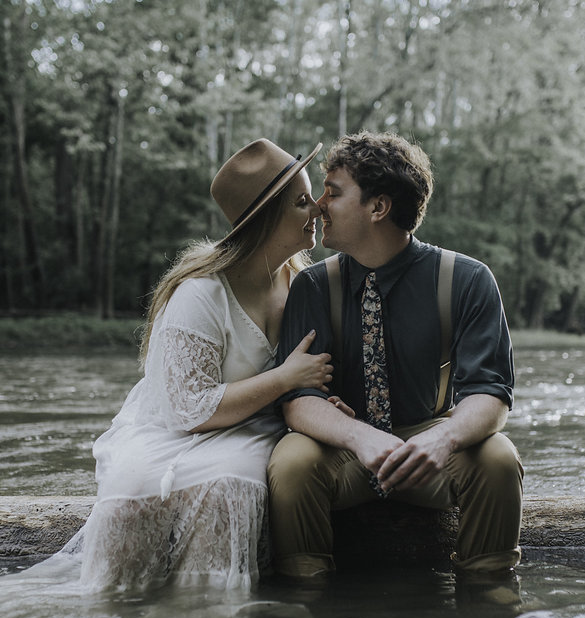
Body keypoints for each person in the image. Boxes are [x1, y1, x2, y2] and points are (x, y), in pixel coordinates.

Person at [62, 138, 344, 592]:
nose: (316, 209)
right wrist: (285, 377)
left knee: (229, 483)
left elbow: (315, 373)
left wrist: (320, 396)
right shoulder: (202, 293)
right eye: (300, 201)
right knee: (136, 484)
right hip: (176, 426)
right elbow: (189, 411)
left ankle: (207, 617)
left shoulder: (302, 284)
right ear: (266, 217)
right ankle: (114, 610)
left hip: (255, 427)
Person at [267, 131, 523, 580]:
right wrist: (361, 438)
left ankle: (488, 594)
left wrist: (440, 440)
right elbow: (298, 398)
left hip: (431, 440)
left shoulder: (468, 280)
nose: (319, 204)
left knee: (499, 457)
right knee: (290, 460)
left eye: (334, 192)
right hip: (343, 447)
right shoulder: (311, 286)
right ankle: (303, 594)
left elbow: (490, 394)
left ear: (378, 207)